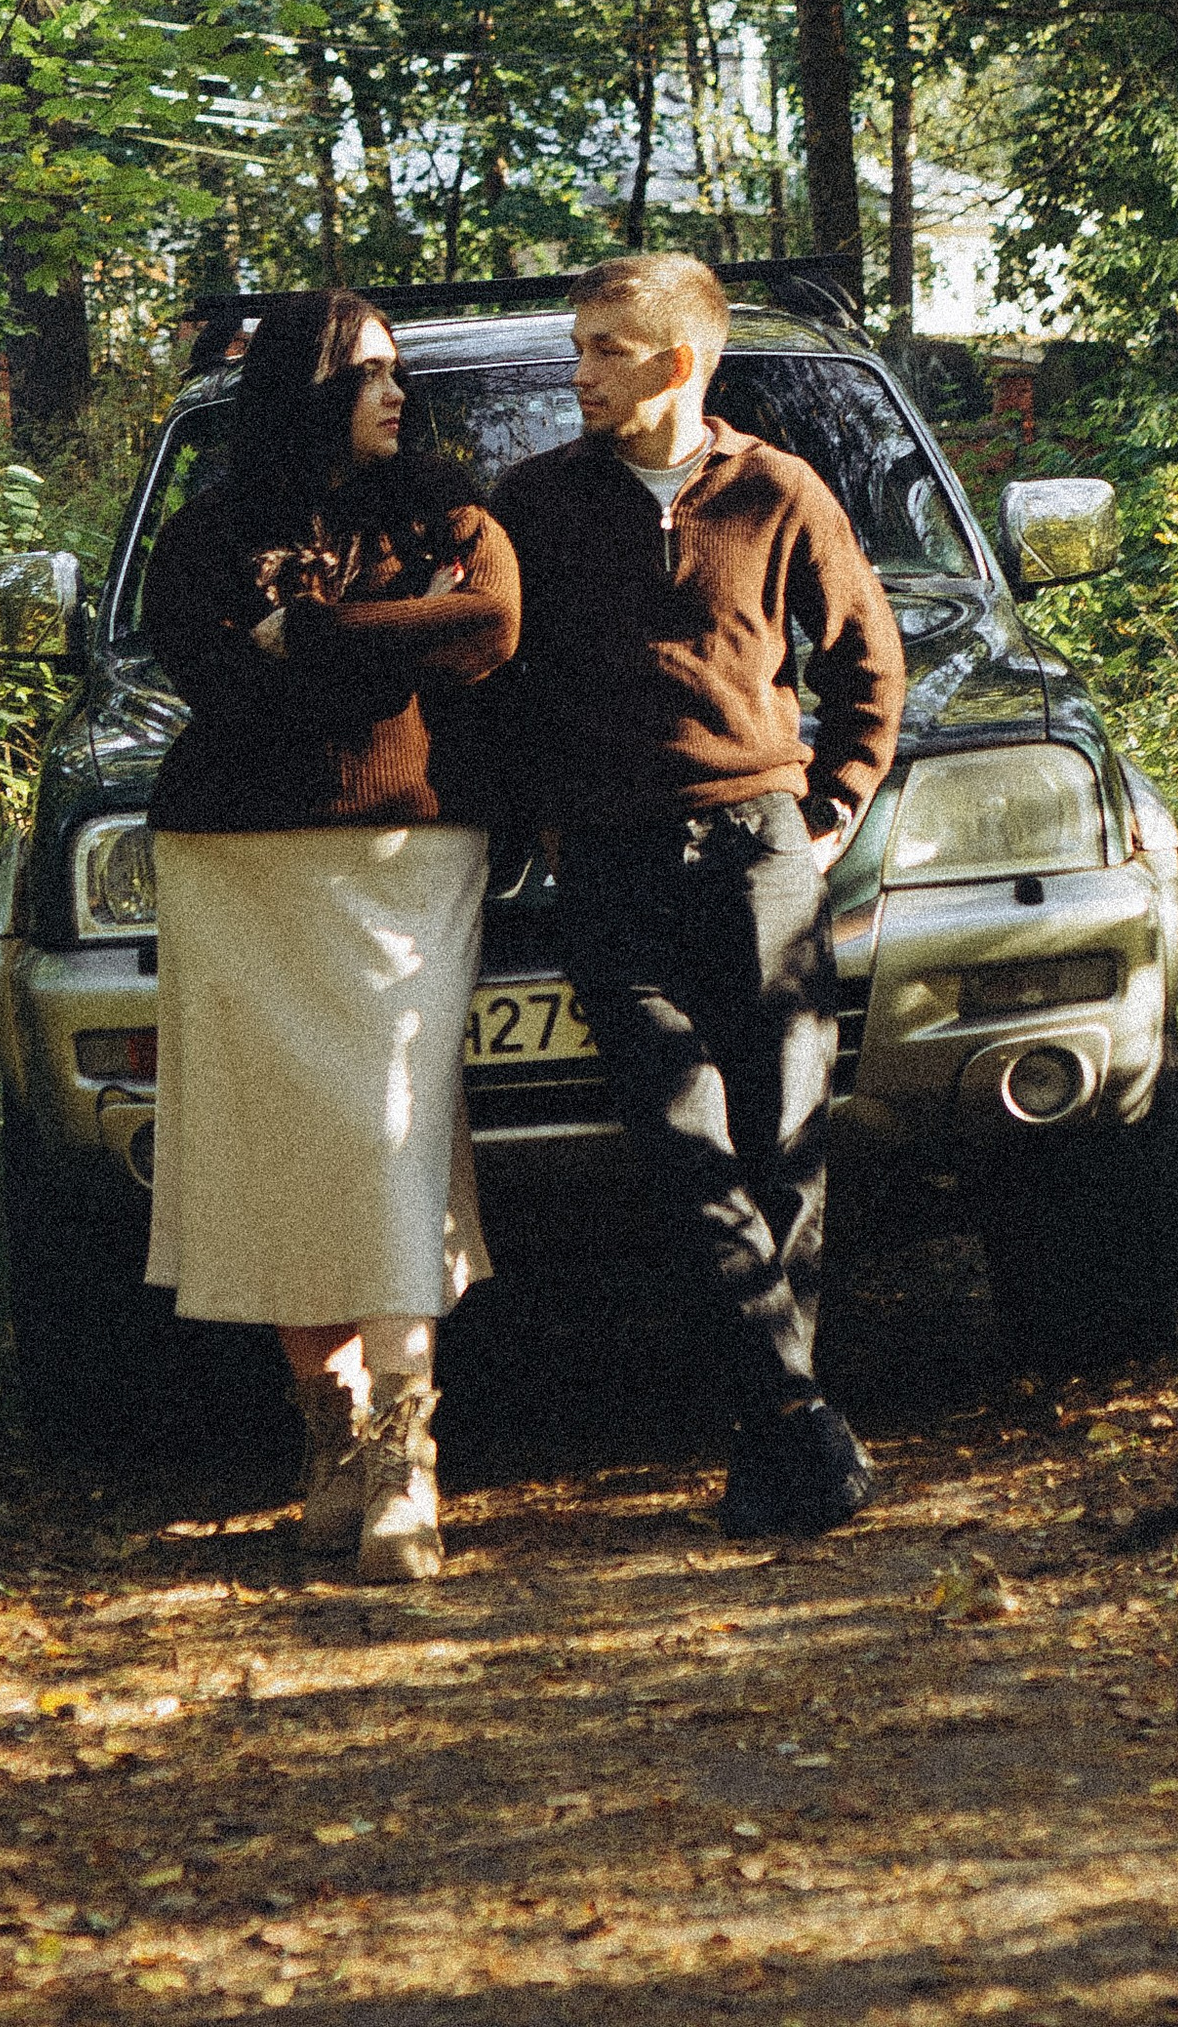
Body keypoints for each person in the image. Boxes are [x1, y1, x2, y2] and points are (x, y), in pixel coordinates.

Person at [491, 252, 905, 1537]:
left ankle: (768, 1438)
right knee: (683, 1150)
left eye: (606, 349)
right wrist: (543, 821)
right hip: (610, 866)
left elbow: (866, 661)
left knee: (785, 1142)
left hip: (759, 854)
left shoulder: (781, 494)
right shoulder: (536, 504)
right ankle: (801, 1418)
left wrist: (830, 811)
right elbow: (495, 686)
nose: (579, 371)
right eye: (579, 346)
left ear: (678, 363)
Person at [138, 289, 519, 1581]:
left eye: (397, 372)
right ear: (308, 389)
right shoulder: (203, 536)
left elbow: (490, 629)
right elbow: (218, 684)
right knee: (279, 1161)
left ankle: (409, 1463)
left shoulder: (449, 519)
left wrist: (309, 629)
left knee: (389, 1141)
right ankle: (334, 1446)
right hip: (234, 865)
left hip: (408, 859)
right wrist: (392, 642)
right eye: (370, 373)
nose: (396, 394)